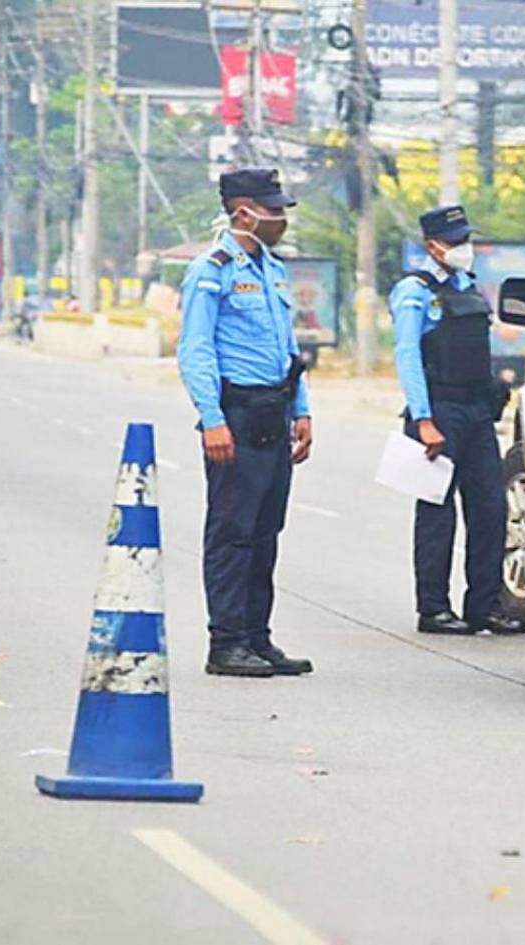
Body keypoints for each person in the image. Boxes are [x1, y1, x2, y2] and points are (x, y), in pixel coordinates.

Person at [177, 167, 315, 678]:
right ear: (244, 213)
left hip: (274, 414)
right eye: (273, 211)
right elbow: (195, 350)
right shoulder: (211, 270)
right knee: (232, 532)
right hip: (234, 416)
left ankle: (258, 638)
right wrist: (212, 420)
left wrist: (301, 410)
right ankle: (227, 642)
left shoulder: (272, 270)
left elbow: (288, 351)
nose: (280, 219)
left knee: (265, 532)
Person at [388, 205, 525, 637]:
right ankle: (433, 609)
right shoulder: (414, 291)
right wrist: (424, 419)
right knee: (437, 514)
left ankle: (484, 606)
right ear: (433, 246)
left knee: (489, 509)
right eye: (456, 241)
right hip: (439, 412)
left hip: (476, 413)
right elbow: (408, 355)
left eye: (466, 239)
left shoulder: (468, 286)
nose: (465, 248)